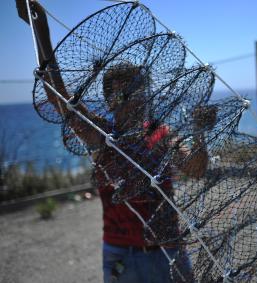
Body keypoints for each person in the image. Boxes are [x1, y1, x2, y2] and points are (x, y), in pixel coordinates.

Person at [19, 2, 213, 282]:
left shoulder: (162, 134)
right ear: (110, 101)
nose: (138, 98)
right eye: (127, 93)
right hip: (124, 255)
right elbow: (58, 97)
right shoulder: (100, 135)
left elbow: (196, 169)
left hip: (170, 250)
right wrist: (40, 29)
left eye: (141, 89)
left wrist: (200, 131)